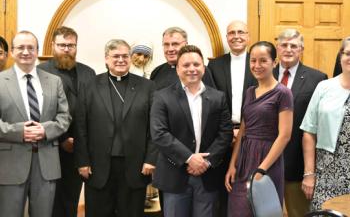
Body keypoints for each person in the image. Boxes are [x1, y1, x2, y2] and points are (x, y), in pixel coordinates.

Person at [74, 39, 158, 217]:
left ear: (130, 58)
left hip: (135, 165)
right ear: (106, 59)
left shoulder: (147, 87)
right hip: (98, 166)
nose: (121, 60)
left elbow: (155, 127)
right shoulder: (89, 86)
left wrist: (151, 159)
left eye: (125, 56)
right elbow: (80, 126)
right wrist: (82, 161)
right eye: (116, 56)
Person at [151, 45, 233, 217]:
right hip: (174, 175)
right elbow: (159, 133)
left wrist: (206, 161)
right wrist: (189, 158)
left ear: (203, 67)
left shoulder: (218, 97)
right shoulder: (162, 96)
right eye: (186, 65)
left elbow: (225, 133)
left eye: (196, 64)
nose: (192, 69)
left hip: (207, 175)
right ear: (178, 69)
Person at [0, 30, 71, 217]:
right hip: (10, 165)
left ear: (37, 51)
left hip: (46, 164)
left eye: (30, 47)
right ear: (12, 52)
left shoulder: (54, 81)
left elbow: (65, 117)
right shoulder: (0, 81)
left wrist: (45, 130)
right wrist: (19, 131)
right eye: (20, 47)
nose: (25, 52)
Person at [225, 41, 293, 217]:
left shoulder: (283, 93)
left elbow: (284, 135)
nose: (257, 65)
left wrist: (261, 169)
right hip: (244, 160)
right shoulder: (249, 92)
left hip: (268, 160)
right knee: (238, 210)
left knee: (263, 211)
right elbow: (243, 131)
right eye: (253, 60)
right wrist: (232, 164)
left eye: (263, 60)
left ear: (274, 62)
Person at [37, 26, 96, 217]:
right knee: (49, 201)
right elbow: (39, 110)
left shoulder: (88, 73)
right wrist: (63, 138)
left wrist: (78, 141)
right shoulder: (40, 71)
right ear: (53, 45)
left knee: (71, 199)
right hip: (50, 146)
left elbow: (93, 110)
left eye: (71, 45)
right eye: (62, 45)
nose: (66, 49)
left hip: (79, 148)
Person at [274, 29, 327, 217]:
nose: (288, 49)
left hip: (298, 163)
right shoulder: (264, 74)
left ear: (301, 49)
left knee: (299, 213)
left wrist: (309, 172)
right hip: (266, 162)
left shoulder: (318, 79)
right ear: (278, 47)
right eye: (284, 45)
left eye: (293, 45)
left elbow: (317, 126)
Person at [208, 20, 256, 217]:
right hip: (221, 135)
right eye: (231, 33)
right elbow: (211, 100)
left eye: (241, 32)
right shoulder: (214, 65)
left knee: (247, 189)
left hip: (252, 135)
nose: (236, 36)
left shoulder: (257, 62)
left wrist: (242, 130)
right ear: (226, 37)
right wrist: (229, 130)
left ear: (248, 36)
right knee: (221, 188)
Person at [301, 36, 350, 211]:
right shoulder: (324, 87)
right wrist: (309, 174)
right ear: (340, 56)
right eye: (347, 53)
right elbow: (309, 132)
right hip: (327, 174)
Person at [150, 26, 215, 90]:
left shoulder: (199, 70)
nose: (170, 49)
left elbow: (212, 98)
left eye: (175, 44)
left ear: (185, 45)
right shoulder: (156, 72)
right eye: (166, 45)